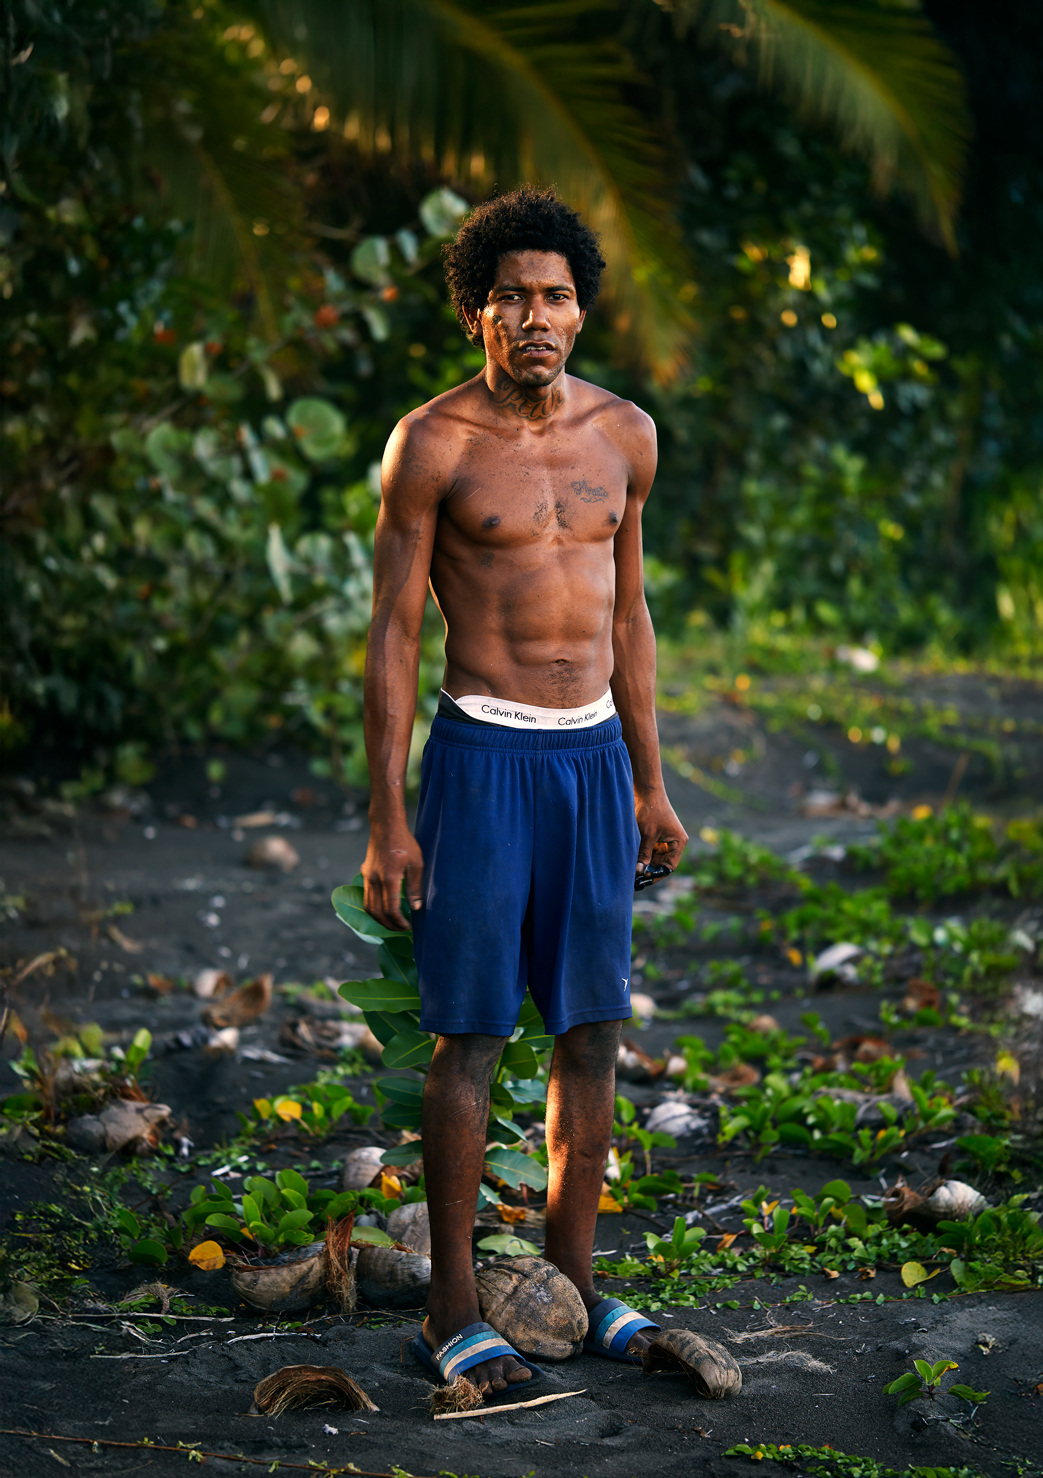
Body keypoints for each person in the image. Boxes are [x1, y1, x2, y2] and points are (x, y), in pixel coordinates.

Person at [360, 186, 687, 1398]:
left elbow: (631, 616)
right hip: (484, 759)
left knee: (592, 1032)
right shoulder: (433, 443)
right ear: (477, 315)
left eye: (554, 295)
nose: (536, 316)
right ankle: (451, 1309)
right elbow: (394, 631)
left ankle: (571, 1285)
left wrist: (651, 784)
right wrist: (390, 815)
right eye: (512, 297)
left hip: (594, 762)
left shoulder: (628, 436)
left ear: (582, 310)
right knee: (472, 1036)